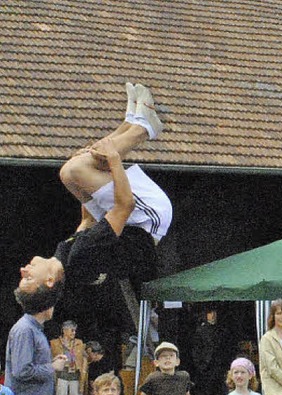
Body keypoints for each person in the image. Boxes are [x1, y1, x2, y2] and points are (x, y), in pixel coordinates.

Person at [14, 82, 171, 339]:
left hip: (130, 220)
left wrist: (82, 186)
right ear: (50, 281)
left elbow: (87, 220)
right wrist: (113, 161)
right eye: (28, 279)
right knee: (78, 169)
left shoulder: (64, 257)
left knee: (69, 173)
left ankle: (131, 122)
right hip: (148, 217)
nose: (23, 270)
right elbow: (125, 205)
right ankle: (144, 129)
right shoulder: (80, 259)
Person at [191, 306, 230, 395]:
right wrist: (202, 366)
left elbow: (226, 349)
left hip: (220, 369)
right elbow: (196, 351)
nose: (212, 315)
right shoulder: (200, 331)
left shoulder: (222, 330)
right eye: (209, 313)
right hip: (207, 371)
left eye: (214, 312)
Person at [50, 320, 87, 395]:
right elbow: (50, 358)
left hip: (75, 375)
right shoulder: (55, 343)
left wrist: (83, 372)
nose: (74, 332)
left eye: (75, 330)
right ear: (64, 330)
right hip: (61, 375)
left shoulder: (79, 343)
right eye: (72, 330)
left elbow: (84, 359)